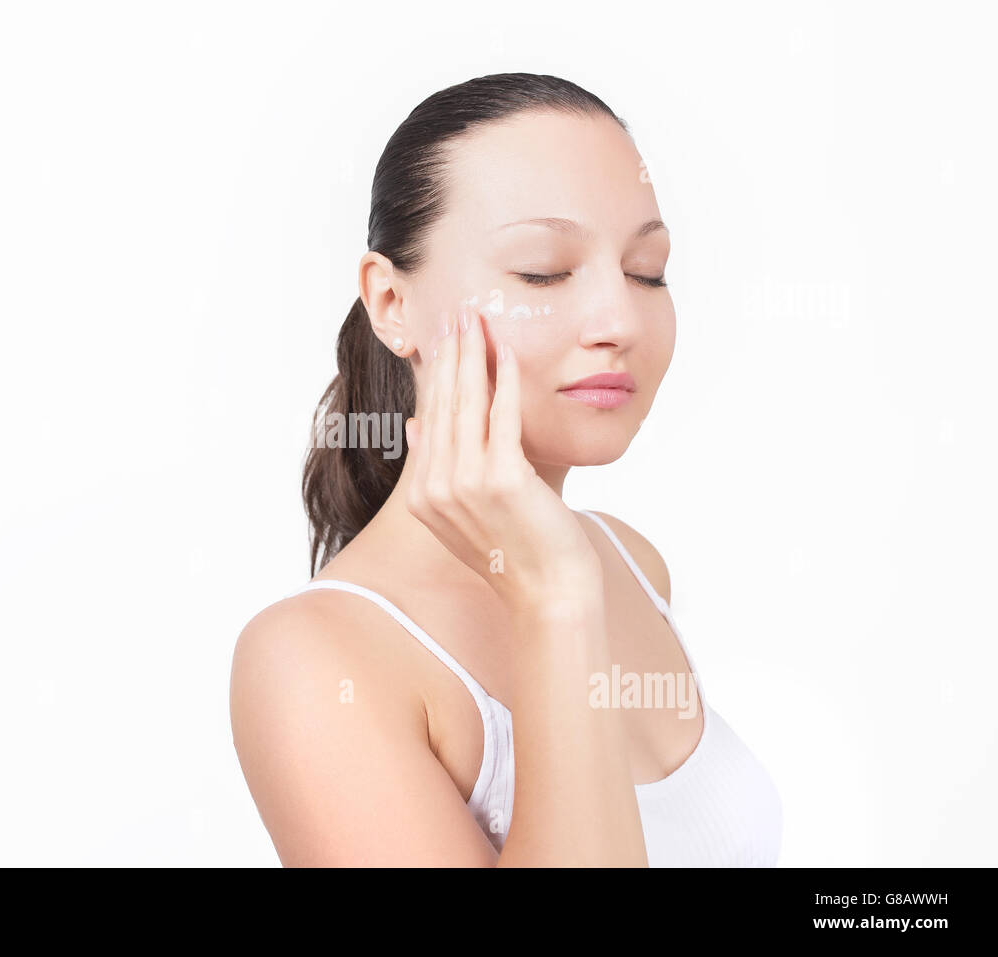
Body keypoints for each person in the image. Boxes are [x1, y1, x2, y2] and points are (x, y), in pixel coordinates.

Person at [230, 73, 782, 867]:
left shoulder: (629, 559)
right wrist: (552, 600)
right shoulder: (313, 660)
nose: (620, 320)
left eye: (647, 270)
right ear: (390, 302)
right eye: (542, 271)